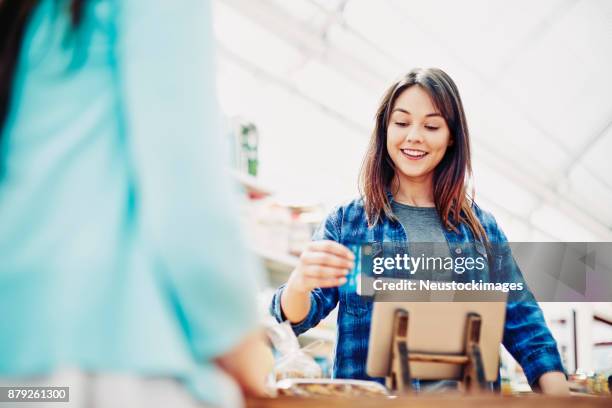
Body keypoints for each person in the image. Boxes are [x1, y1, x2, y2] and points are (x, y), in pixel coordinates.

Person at [0, 0, 271, 406]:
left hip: (22, 365)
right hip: (116, 355)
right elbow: (187, 192)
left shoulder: (35, 15)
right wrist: (242, 340)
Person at [271, 68, 570, 395]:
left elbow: (527, 329)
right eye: (401, 123)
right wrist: (300, 281)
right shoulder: (348, 224)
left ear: (451, 135)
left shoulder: (481, 231)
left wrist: (564, 400)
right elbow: (296, 316)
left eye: (431, 126)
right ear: (385, 129)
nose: (414, 136)